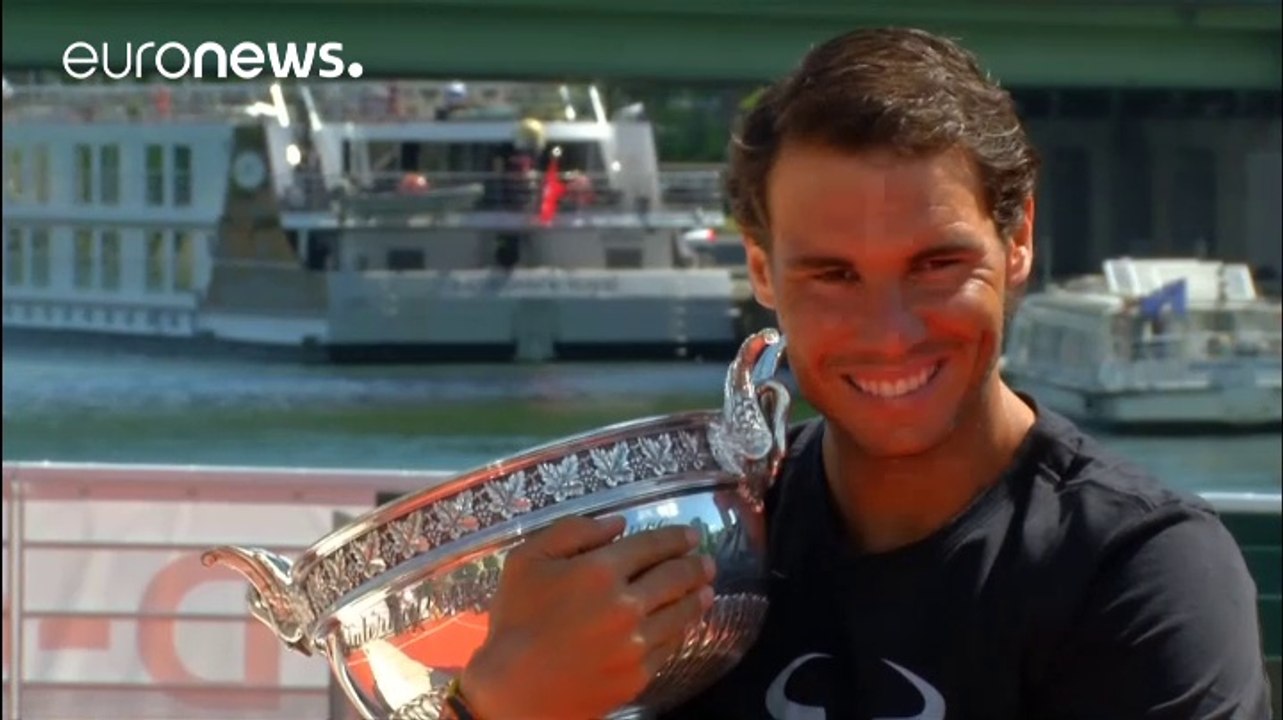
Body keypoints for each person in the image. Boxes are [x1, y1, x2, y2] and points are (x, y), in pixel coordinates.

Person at [447, 27, 1274, 719]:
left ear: (1016, 240)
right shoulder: (700, 551)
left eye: (936, 263)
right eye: (832, 275)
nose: (889, 334)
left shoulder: (1139, 573)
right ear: (762, 271)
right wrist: (492, 704)